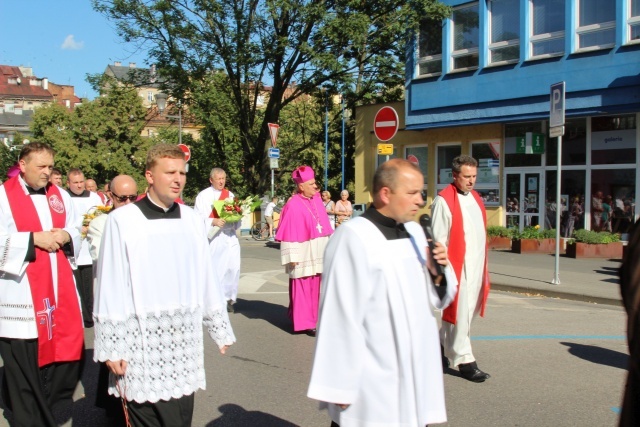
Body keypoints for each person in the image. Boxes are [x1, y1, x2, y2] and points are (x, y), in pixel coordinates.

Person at [93, 144, 236, 427]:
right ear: (149, 175)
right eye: (170, 172)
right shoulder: (123, 220)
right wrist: (112, 346)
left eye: (182, 172)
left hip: (183, 345)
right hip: (141, 345)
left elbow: (205, 274)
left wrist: (218, 325)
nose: (178, 179)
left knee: (180, 419)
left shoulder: (193, 221)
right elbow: (110, 284)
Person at [308, 159, 456, 427]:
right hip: (372, 374)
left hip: (412, 370)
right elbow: (338, 312)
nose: (420, 200)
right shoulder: (353, 237)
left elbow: (435, 298)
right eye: (412, 193)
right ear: (385, 193)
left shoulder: (415, 232)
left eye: (421, 192)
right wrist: (338, 383)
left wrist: (438, 274)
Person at [0, 142, 84, 426]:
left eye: (50, 166)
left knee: (64, 363)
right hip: (21, 297)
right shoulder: (3, 196)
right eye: (41, 167)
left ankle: (40, 412)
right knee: (24, 370)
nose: (48, 173)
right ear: (22, 166)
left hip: (58, 294)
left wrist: (65, 235)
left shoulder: (60, 195)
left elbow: (76, 226)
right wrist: (33, 239)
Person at [431, 154, 491, 383]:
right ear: (455, 175)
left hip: (476, 267)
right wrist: (445, 273)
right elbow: (439, 240)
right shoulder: (444, 201)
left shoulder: (475, 198)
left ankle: (437, 348)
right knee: (460, 315)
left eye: (474, 176)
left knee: (463, 315)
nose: (471, 181)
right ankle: (465, 361)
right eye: (467, 176)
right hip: (457, 269)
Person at [85, 174, 137, 424]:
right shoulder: (100, 223)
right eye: (121, 198)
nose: (127, 203)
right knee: (114, 358)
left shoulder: (141, 220)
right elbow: (102, 257)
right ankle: (114, 411)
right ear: (110, 196)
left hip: (138, 301)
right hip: (114, 301)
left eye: (131, 198)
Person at [275, 166, 333, 336]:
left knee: (315, 287)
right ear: (301, 186)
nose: (316, 187)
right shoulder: (292, 205)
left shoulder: (316, 200)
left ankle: (313, 319)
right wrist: (291, 255)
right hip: (302, 252)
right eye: (312, 184)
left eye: (315, 183)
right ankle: (304, 323)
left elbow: (324, 227)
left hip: (318, 251)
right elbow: (289, 231)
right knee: (302, 286)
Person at [194, 168, 241, 313]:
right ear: (211, 180)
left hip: (230, 236)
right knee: (217, 269)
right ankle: (215, 299)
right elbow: (197, 218)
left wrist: (237, 217)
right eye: (218, 179)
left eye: (223, 178)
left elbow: (236, 214)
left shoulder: (230, 195)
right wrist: (212, 221)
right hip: (215, 237)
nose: (221, 181)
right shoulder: (203, 196)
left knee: (233, 268)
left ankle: (228, 298)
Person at [67, 168, 103, 327]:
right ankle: (79, 316)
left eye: (81, 181)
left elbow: (102, 216)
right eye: (75, 182)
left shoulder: (94, 197)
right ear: (68, 183)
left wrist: (92, 225)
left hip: (89, 250)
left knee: (90, 287)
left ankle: (90, 317)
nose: (79, 185)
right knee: (76, 288)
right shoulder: (63, 198)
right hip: (73, 250)